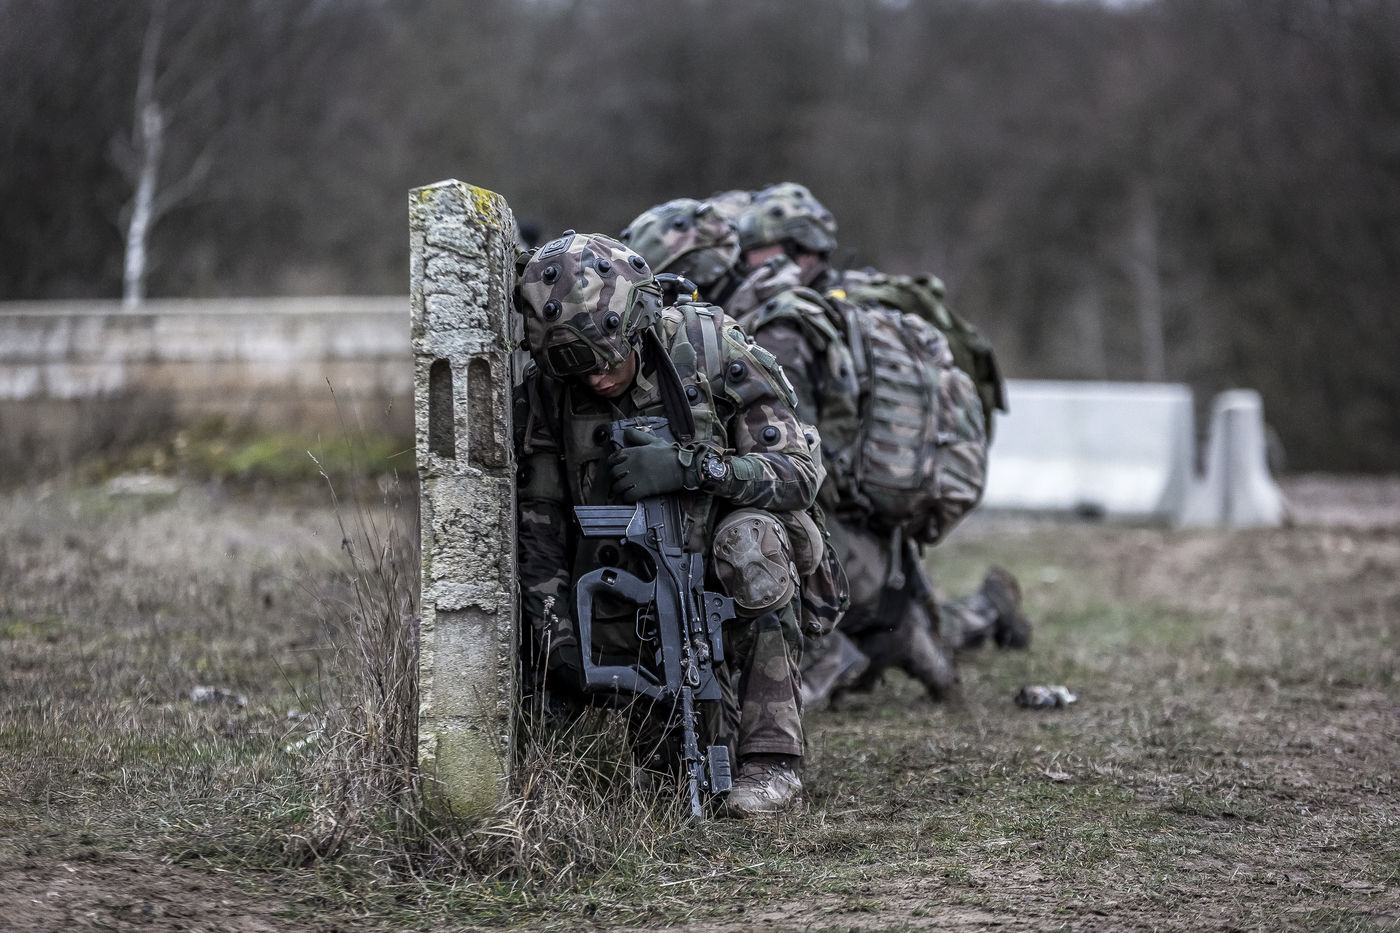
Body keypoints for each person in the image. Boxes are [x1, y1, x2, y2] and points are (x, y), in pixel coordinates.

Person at [625, 189, 1031, 707]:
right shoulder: (773, 311)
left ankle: (890, 637)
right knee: (913, 628)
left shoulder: (777, 331)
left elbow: (794, 470)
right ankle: (936, 626)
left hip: (843, 547)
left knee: (757, 546)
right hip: (861, 540)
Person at [513, 230, 820, 816]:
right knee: (671, 785)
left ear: (639, 326)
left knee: (750, 541)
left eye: (610, 360)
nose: (597, 381)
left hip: (726, 573)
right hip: (628, 588)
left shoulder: (709, 347)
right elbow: (539, 527)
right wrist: (558, 639)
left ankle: (773, 759)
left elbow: (797, 475)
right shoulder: (549, 394)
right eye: (581, 370)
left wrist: (694, 467)